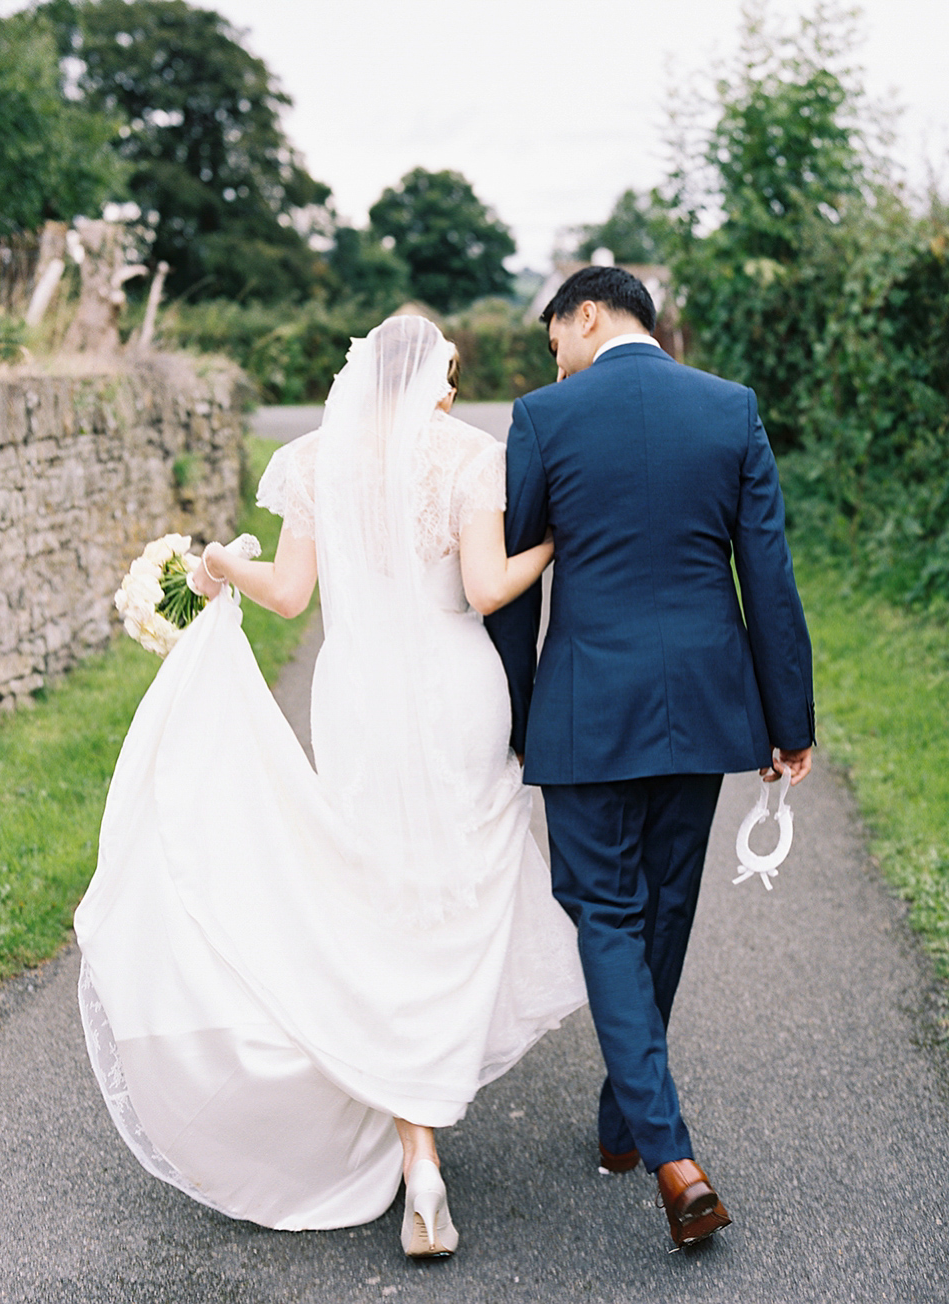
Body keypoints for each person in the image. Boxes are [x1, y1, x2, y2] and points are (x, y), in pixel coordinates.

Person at [74, 315, 585, 1257]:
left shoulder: (314, 462)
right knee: (453, 884)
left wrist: (220, 563)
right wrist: (553, 546)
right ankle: (428, 1104)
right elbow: (484, 589)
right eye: (447, 372)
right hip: (456, 692)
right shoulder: (473, 456)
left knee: (376, 892)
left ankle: (415, 1149)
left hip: (357, 699)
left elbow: (289, 595)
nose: (448, 386)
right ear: (426, 376)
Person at [485, 266, 815, 1250]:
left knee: (607, 913)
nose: (556, 357)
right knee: (661, 909)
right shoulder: (730, 408)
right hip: (706, 707)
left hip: (586, 712)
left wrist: (515, 719)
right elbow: (768, 571)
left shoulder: (543, 420)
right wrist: (788, 717)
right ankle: (627, 1127)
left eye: (556, 337)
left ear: (586, 314)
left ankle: (669, 1150)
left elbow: (513, 588)